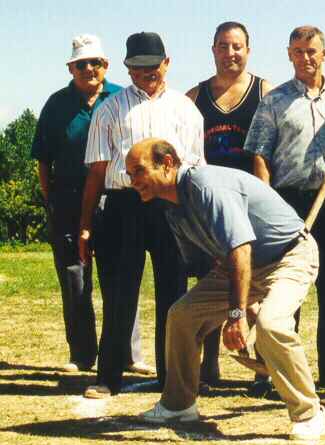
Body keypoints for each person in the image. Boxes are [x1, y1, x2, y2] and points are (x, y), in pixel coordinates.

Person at [128, 139, 325, 441]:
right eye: (130, 175)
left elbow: (240, 249)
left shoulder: (206, 186)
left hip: (290, 255)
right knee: (182, 315)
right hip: (241, 266)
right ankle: (179, 405)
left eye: (139, 171)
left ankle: (309, 413)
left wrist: (236, 314)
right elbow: (214, 261)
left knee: (271, 324)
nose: (133, 182)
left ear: (167, 163)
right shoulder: (172, 208)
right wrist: (239, 304)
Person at [79, 32, 205, 398]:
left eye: (152, 66)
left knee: (174, 293)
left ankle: (172, 377)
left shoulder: (186, 110)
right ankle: (108, 377)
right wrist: (86, 225)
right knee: (120, 293)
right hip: (124, 206)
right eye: (137, 68)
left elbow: (196, 169)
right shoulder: (109, 109)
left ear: (167, 63)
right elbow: (97, 173)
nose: (146, 74)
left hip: (171, 206)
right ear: (127, 68)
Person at [245, 25, 325, 389]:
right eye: (297, 51)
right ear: (289, 54)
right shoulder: (274, 101)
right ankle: (273, 375)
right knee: (282, 294)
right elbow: (259, 155)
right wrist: (266, 205)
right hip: (285, 204)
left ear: (324, 54)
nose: (305, 58)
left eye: (312, 51)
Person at [185, 21, 272, 392]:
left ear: (248, 50)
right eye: (223, 46)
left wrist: (262, 200)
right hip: (210, 205)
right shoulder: (195, 96)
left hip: (249, 200)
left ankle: (264, 368)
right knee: (212, 281)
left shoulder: (264, 91)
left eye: (237, 46)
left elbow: (265, 154)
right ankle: (209, 366)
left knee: (257, 288)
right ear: (214, 50)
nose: (230, 53)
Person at [32, 34, 120, 373]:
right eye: (81, 64)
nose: (88, 69)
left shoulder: (122, 98)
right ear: (70, 68)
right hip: (67, 201)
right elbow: (42, 158)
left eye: (94, 62)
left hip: (113, 199)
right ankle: (82, 354)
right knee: (75, 278)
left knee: (117, 276)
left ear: (105, 65)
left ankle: (125, 352)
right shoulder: (56, 104)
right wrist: (50, 198)